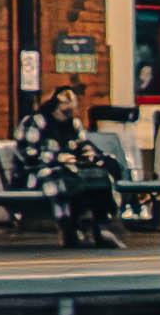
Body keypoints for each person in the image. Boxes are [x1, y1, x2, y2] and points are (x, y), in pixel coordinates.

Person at [18, 79, 122, 247]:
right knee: (65, 179)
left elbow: (82, 144)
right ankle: (70, 227)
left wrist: (88, 153)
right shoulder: (36, 122)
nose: (67, 115)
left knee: (99, 177)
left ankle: (98, 225)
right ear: (54, 107)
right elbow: (28, 153)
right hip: (38, 171)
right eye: (64, 110)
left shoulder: (74, 124)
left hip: (73, 169)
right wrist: (57, 158)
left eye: (70, 110)